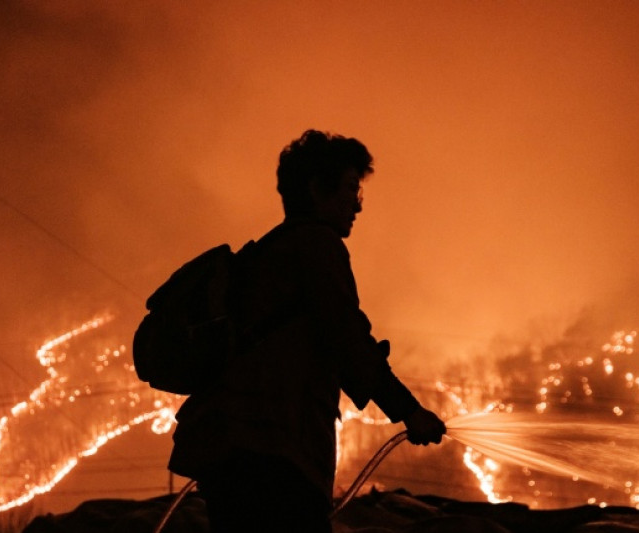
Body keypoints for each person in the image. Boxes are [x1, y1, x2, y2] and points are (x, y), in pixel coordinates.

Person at [168, 129, 446, 532]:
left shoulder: (266, 255)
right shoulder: (317, 245)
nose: (358, 205)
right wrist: (409, 411)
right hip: (274, 454)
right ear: (318, 189)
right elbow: (347, 336)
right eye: (352, 188)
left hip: (228, 449)